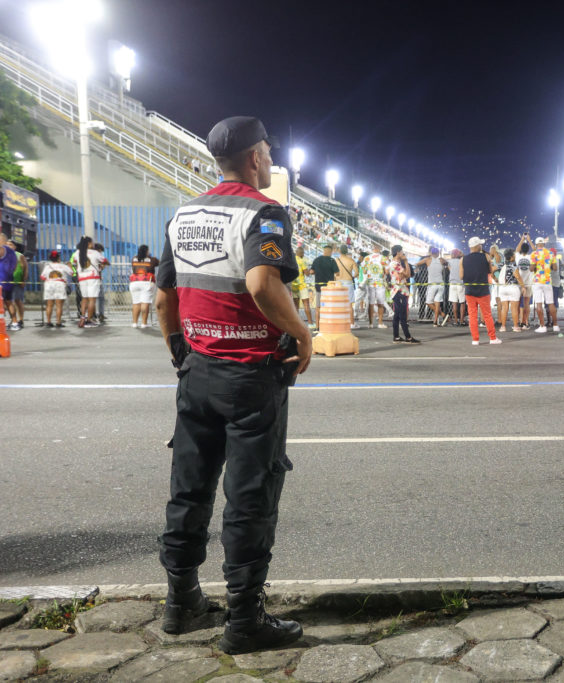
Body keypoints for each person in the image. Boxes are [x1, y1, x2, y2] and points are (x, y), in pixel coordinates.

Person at [155, 116, 308, 655]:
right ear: (254, 158)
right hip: (249, 377)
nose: (270, 159)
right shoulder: (264, 212)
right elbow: (263, 284)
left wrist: (179, 348)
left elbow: (163, 296)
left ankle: (181, 603)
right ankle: (245, 620)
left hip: (197, 374)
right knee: (250, 495)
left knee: (189, 487)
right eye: (267, 151)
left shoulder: (184, 213)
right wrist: (301, 333)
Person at [462, 237, 500, 345]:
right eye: (480, 245)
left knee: (472, 315)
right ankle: (492, 338)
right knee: (487, 314)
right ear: (477, 246)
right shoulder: (486, 256)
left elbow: (461, 275)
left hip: (469, 290)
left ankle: (475, 339)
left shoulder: (463, 259)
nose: (481, 246)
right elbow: (490, 270)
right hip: (483, 290)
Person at [387, 245, 420, 343]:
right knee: (402, 315)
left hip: (400, 291)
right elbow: (408, 274)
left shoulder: (396, 263)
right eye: (402, 251)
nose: (403, 253)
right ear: (398, 252)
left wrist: (404, 272)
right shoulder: (395, 264)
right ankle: (408, 337)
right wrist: (405, 262)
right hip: (399, 291)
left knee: (397, 315)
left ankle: (396, 337)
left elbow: (406, 274)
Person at [71, 236, 104, 328]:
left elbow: (73, 263)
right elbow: (104, 261)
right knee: (92, 300)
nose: (93, 244)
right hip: (92, 278)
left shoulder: (77, 253)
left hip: (82, 278)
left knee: (84, 299)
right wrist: (101, 266)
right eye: (92, 242)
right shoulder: (95, 253)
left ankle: (82, 318)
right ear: (89, 243)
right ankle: (89, 320)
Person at [530, 237, 559, 333]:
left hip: (538, 280)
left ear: (536, 244)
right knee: (551, 303)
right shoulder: (550, 253)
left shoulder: (534, 254)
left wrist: (535, 266)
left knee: (539, 304)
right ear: (544, 244)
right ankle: (555, 325)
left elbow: (531, 268)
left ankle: (542, 326)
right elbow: (555, 268)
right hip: (547, 281)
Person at [310, 245, 339, 330]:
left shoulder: (316, 260)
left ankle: (318, 327)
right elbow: (337, 273)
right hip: (329, 288)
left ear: (324, 251)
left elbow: (311, 271)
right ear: (330, 252)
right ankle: (328, 326)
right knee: (329, 307)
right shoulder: (332, 260)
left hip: (319, 287)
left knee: (318, 307)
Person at [129, 244, 160, 328]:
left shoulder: (134, 259)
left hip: (134, 282)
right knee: (145, 303)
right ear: (146, 251)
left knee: (136, 303)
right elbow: (159, 262)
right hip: (147, 282)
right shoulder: (152, 260)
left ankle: (134, 323)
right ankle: (144, 323)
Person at [40, 250, 72, 327]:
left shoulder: (47, 266)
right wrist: (70, 266)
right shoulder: (63, 266)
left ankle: (48, 322)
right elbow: (72, 273)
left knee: (49, 305)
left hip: (49, 284)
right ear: (59, 258)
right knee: (59, 305)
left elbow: (42, 277)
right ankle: (58, 322)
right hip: (59, 285)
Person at [333, 245, 360, 329]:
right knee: (349, 305)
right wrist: (352, 277)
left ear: (339, 251)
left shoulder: (336, 260)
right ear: (346, 251)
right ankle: (352, 323)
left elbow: (333, 273)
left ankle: (338, 323)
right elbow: (356, 273)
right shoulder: (351, 260)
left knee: (338, 304)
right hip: (348, 283)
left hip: (338, 283)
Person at [497, 248, 522, 332]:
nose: (515, 255)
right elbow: (517, 276)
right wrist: (523, 286)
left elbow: (492, 269)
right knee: (514, 308)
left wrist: (496, 279)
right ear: (511, 257)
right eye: (514, 254)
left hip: (502, 288)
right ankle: (515, 326)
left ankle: (503, 327)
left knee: (504, 308)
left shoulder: (501, 264)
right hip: (513, 288)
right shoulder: (513, 265)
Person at [363, 245, 388, 328]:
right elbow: (387, 271)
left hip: (370, 282)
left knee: (371, 304)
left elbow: (364, 271)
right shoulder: (383, 258)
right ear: (379, 250)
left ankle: (370, 324)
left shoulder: (367, 258)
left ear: (372, 249)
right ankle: (380, 323)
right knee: (380, 303)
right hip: (380, 282)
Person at [290, 246, 315, 329]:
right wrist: (309, 271)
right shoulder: (302, 261)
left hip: (293, 286)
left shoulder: (291, 261)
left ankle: (296, 325)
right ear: (302, 254)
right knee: (306, 305)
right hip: (302, 286)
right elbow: (307, 273)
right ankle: (311, 323)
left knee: (295, 306)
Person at [421, 247, 446, 326]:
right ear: (438, 253)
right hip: (441, 284)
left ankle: (442, 314)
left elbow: (417, 264)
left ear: (431, 253)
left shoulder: (427, 260)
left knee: (428, 302)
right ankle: (435, 321)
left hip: (432, 284)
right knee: (437, 302)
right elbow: (447, 263)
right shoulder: (441, 260)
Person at [5, 242, 27, 330]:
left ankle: (21, 320)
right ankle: (13, 320)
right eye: (6, 244)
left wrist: (23, 280)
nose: (8, 246)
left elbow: (25, 269)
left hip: (17, 282)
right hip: (6, 283)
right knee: (9, 302)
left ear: (15, 247)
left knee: (18, 301)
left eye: (10, 244)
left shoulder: (19, 256)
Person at [445, 249, 466, 326]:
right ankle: (461, 320)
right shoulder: (462, 260)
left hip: (452, 284)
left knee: (454, 303)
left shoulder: (449, 261)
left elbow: (449, 268)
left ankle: (456, 321)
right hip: (460, 283)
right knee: (462, 303)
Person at [0, 235, 15, 327]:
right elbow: (14, 265)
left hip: (2, 282)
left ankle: (14, 322)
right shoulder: (11, 252)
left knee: (8, 302)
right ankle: (14, 322)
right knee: (9, 302)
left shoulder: (3, 250)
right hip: (8, 281)